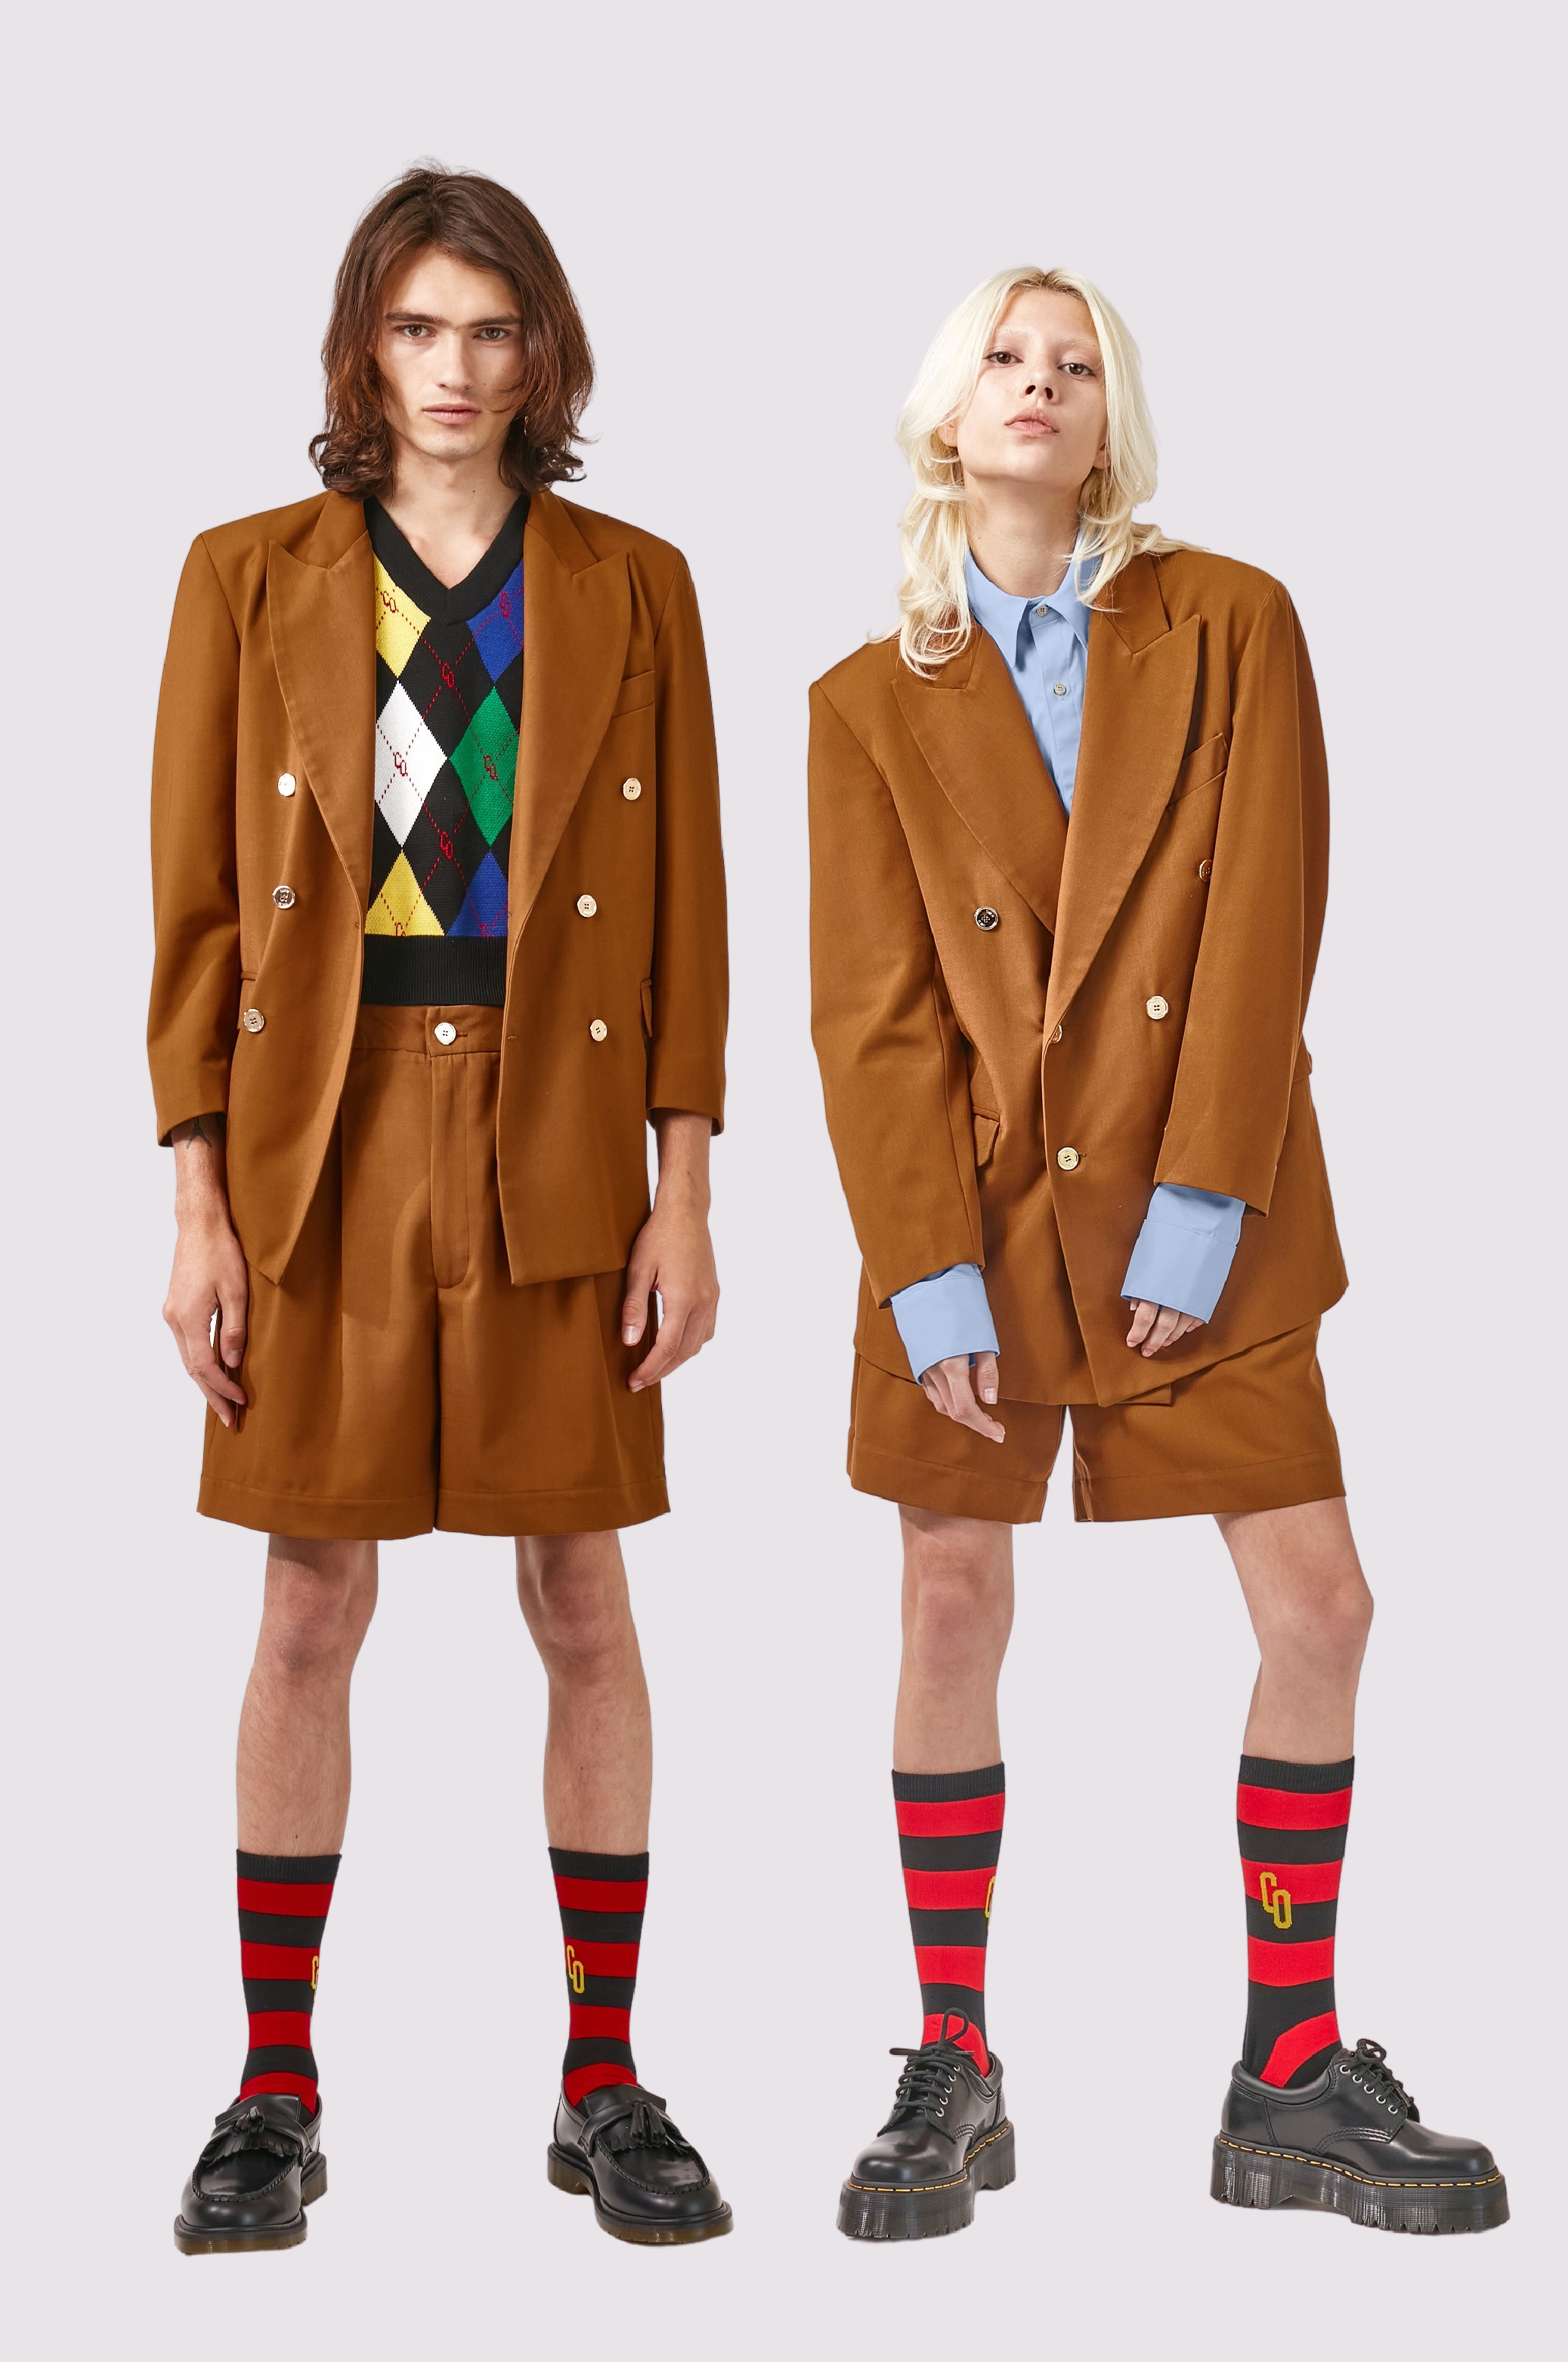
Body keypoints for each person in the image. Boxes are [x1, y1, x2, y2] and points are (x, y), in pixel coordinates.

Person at [807, 266, 1505, 2240]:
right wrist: (926, 1277)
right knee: (948, 1606)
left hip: (1212, 1194)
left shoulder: (1229, 621)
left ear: (1109, 418)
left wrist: (1203, 1205)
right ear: (948, 412)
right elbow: (870, 1017)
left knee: (1322, 1606)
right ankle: (952, 2058)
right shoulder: (863, 701)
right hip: (964, 1218)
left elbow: (1265, 915)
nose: (1037, 385)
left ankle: (1291, 2060)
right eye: (1002, 359)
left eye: (1074, 364)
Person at [150, 167, 731, 2252]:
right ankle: (273, 2087)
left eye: (492, 330)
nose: (456, 369)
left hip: (558, 1122)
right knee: (309, 1604)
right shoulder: (246, 577)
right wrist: (197, 1205)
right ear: (364, 348)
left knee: (581, 1595)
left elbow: (687, 910)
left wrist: (685, 1190)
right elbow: (193, 914)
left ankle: (603, 2075)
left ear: (540, 351)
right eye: (418, 329)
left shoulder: (636, 583)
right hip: (317, 1133)